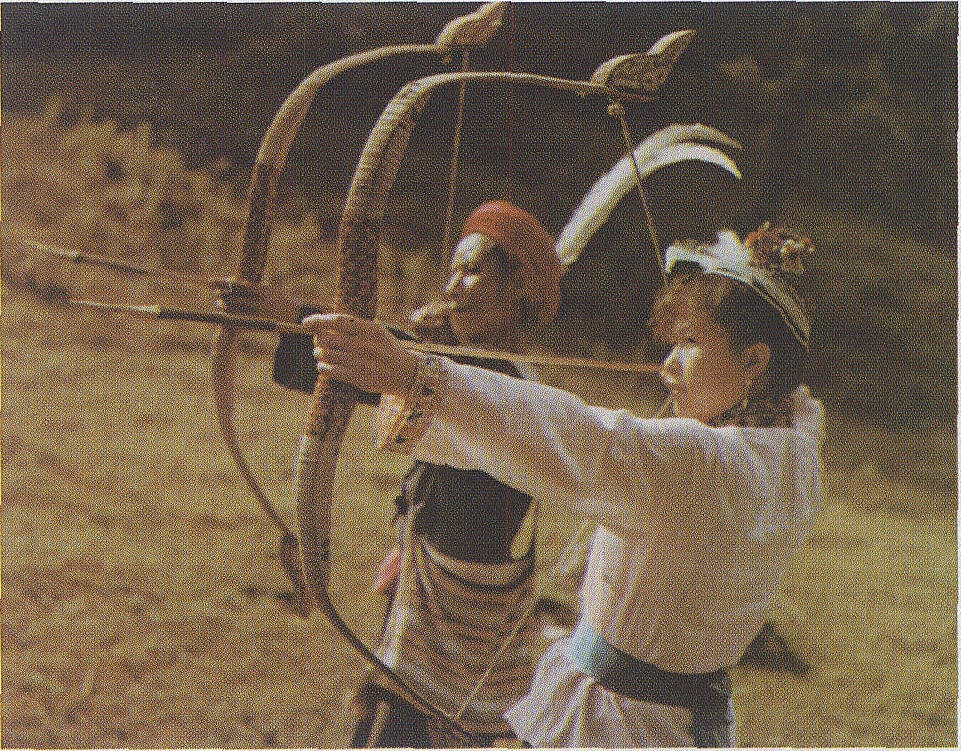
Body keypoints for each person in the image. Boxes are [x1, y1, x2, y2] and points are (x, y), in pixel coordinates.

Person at [303, 222, 824, 748]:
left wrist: (410, 374)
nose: (668, 365)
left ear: (754, 361)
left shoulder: (711, 466)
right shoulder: (792, 446)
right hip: (670, 720)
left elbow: (577, 437)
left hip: (621, 729)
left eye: (690, 342)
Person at [272, 200, 564, 747]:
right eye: (453, 271)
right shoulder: (458, 369)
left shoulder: (508, 385)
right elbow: (387, 369)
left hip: (465, 617)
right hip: (430, 596)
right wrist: (282, 318)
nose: (453, 287)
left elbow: (424, 374)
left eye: (472, 271)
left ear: (518, 292)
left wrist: (309, 325)